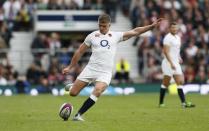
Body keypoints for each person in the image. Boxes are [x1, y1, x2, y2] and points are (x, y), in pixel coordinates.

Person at [62, 14, 163, 121]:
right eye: (100, 25)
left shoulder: (115, 36)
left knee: (98, 90)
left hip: (105, 73)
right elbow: (80, 51)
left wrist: (151, 27)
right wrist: (70, 67)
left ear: (109, 25)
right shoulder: (92, 36)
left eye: (104, 26)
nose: (101, 28)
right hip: (90, 69)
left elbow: (135, 31)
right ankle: (73, 86)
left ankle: (78, 115)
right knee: (73, 93)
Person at [159, 22, 195, 108]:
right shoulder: (167, 38)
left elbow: (176, 50)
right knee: (165, 83)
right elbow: (165, 52)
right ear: (169, 29)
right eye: (172, 28)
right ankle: (161, 103)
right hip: (168, 63)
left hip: (176, 62)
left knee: (180, 82)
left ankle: (183, 103)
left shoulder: (178, 37)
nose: (174, 29)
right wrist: (171, 63)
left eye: (175, 28)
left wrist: (179, 57)